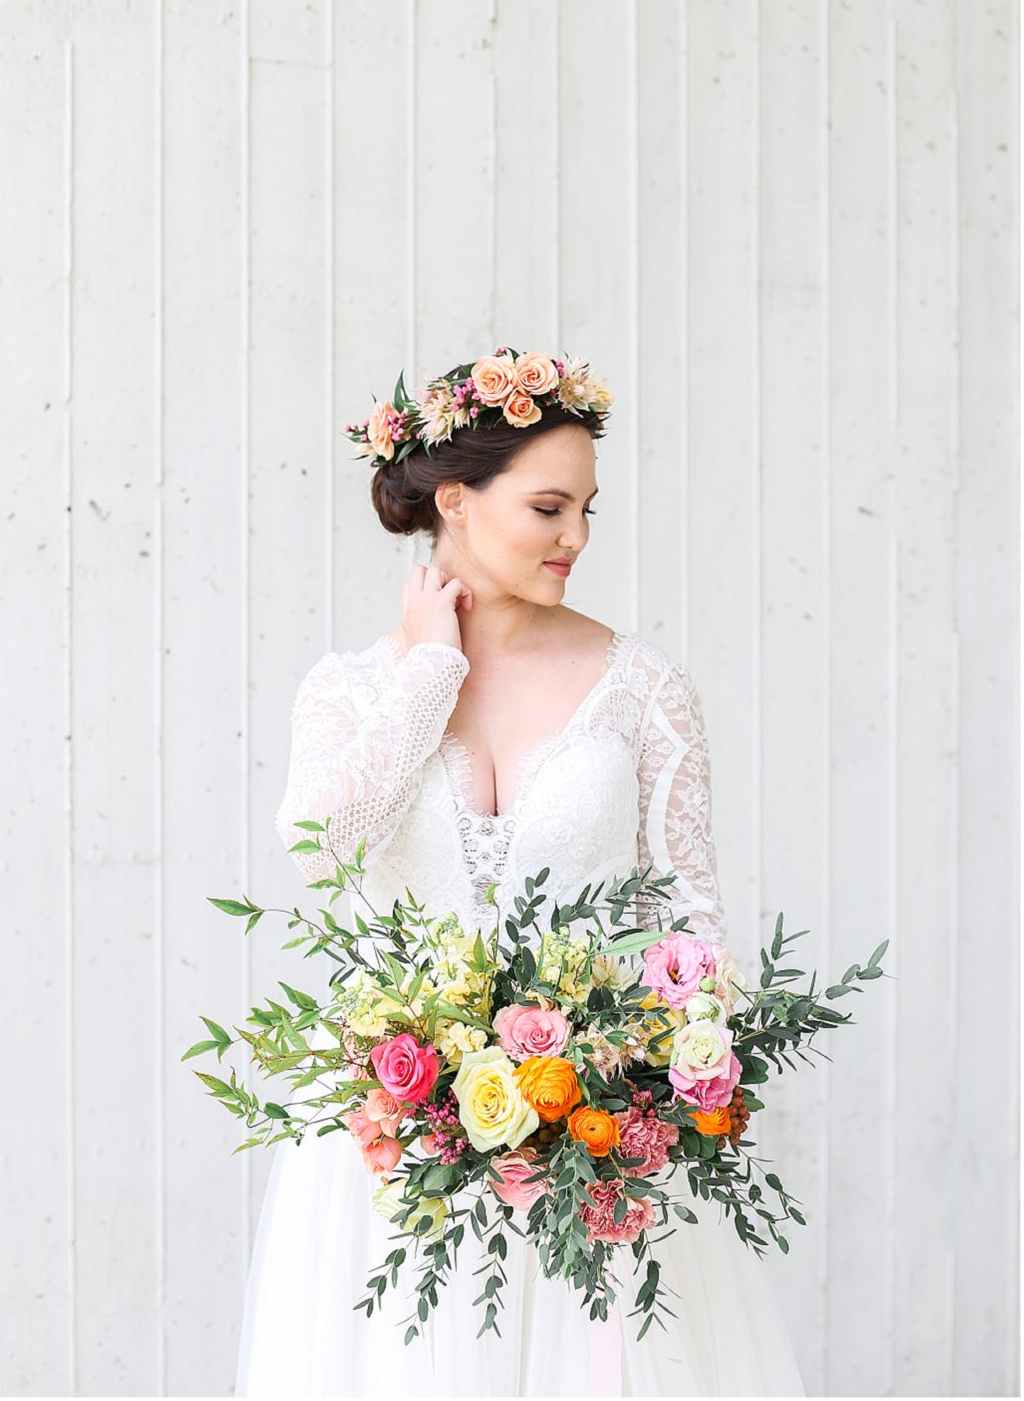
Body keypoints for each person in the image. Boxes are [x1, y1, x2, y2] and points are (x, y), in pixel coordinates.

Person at [234, 349, 805, 1397]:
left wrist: (649, 1083)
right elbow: (324, 842)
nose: (575, 537)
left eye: (587, 508)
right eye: (549, 506)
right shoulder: (351, 688)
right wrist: (428, 672)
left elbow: (691, 924)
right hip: (393, 1146)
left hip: (594, 1139)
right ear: (454, 498)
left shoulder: (643, 687)